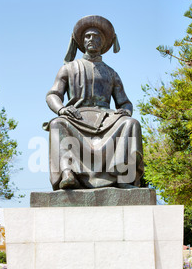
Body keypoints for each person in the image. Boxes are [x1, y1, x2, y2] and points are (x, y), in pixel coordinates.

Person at [43, 15, 144, 191]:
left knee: (131, 123)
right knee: (57, 124)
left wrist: (126, 112)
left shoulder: (111, 73)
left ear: (103, 43)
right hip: (76, 118)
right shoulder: (68, 68)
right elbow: (53, 94)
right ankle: (68, 173)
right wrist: (61, 109)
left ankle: (123, 175)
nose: (91, 39)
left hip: (106, 119)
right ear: (82, 41)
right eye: (88, 36)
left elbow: (125, 102)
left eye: (96, 36)